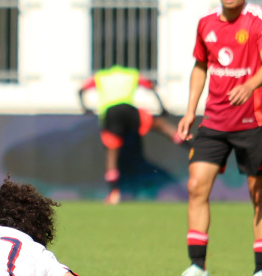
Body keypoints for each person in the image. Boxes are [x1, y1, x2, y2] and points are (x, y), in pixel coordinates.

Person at [171, 0, 262, 276]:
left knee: (259, 194)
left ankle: (261, 272)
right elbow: (200, 67)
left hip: (253, 122)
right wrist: (190, 111)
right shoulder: (206, 24)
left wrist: (249, 85)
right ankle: (197, 268)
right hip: (215, 121)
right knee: (195, 187)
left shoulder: (260, 20)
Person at [78, 65, 184, 205]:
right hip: (128, 110)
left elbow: (81, 90)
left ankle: (114, 193)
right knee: (160, 125)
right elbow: (151, 86)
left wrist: (85, 108)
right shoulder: (131, 74)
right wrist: (162, 107)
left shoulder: (100, 76)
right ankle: (190, 144)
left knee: (111, 154)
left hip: (110, 113)